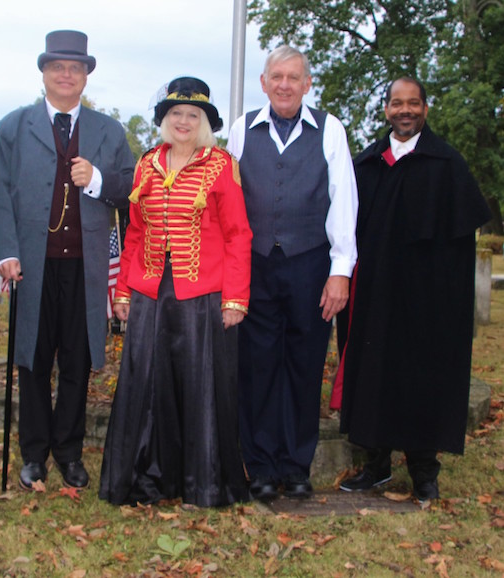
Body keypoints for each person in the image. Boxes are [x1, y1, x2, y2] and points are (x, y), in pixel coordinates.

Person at [0, 30, 135, 491]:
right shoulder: (15, 126)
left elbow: (132, 188)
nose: (66, 74)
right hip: (32, 264)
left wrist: (96, 180)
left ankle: (68, 452)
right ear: (44, 73)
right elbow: (0, 197)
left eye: (75, 67)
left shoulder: (110, 132)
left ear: (86, 77)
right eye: (57, 66)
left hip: (87, 268)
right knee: (32, 358)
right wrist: (7, 252)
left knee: (77, 359)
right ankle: (33, 453)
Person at [99, 78, 252, 507]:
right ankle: (147, 480)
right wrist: (124, 290)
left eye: (192, 115)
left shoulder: (222, 165)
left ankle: (199, 483)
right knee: (147, 383)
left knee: (199, 384)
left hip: (203, 293)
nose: (183, 121)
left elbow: (239, 234)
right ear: (164, 120)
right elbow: (135, 231)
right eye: (175, 114)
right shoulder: (147, 164)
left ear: (203, 122)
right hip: (150, 290)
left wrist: (235, 299)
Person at [337, 78, 491, 501]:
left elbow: (463, 243)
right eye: (397, 104)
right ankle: (376, 466)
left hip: (429, 300)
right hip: (375, 294)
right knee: (374, 374)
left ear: (425, 107)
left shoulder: (447, 164)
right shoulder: (366, 164)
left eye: (413, 103)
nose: (405, 111)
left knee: (423, 379)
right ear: (385, 109)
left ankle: (424, 470)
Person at [227, 45, 358, 501]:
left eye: (293, 77)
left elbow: (343, 200)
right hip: (256, 266)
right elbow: (228, 199)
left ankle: (295, 465)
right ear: (263, 83)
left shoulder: (330, 129)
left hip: (310, 264)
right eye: (276, 77)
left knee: (304, 367)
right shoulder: (242, 129)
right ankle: (260, 465)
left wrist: (340, 270)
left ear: (307, 84)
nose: (284, 85)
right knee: (256, 367)